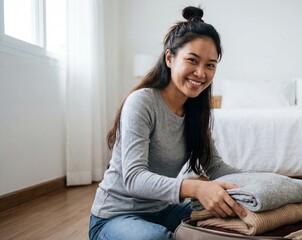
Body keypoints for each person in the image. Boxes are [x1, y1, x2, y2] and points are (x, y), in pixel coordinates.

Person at [89, 6, 246, 240]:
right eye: (192, 60)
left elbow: (215, 167)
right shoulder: (142, 102)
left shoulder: (196, 110)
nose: (201, 73)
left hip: (162, 210)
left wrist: (263, 182)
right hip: (114, 217)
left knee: (237, 217)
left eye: (210, 65)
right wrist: (195, 188)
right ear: (170, 58)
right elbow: (133, 177)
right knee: (156, 238)